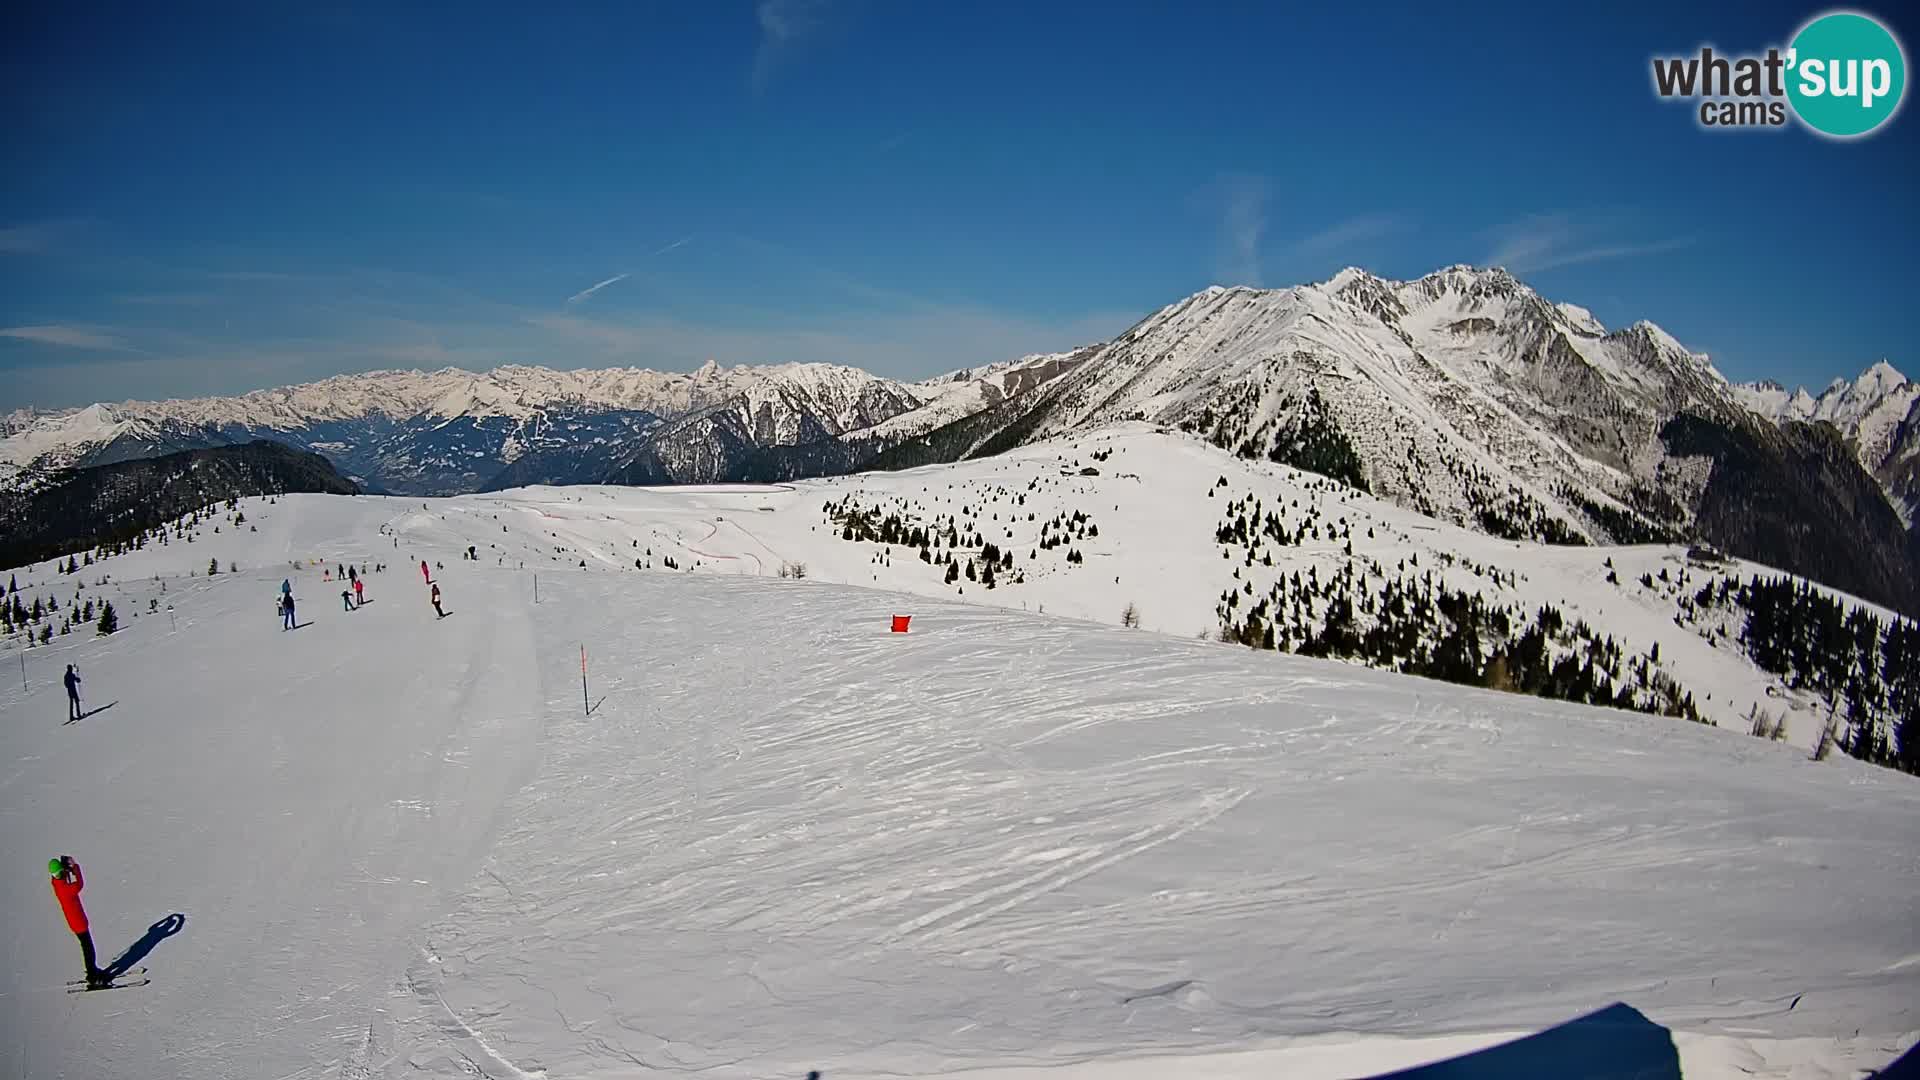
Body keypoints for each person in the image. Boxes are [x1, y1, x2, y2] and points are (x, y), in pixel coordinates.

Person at [50, 855, 107, 989]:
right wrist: (75, 867)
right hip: (78, 922)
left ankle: (92, 970)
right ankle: (92, 977)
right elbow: (79, 884)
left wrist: (66, 869)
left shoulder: (57, 883)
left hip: (76, 921)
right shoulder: (65, 889)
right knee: (88, 949)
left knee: (87, 947)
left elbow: (61, 877)